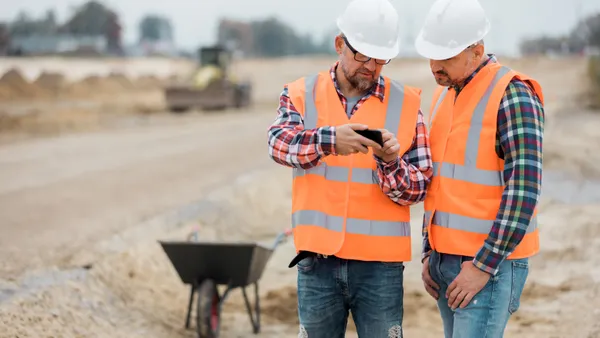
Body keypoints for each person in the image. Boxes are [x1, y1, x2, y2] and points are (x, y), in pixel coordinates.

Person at [266, 0, 433, 336]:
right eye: (362, 55)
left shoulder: (407, 103)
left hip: (380, 268)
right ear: (340, 44)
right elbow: (278, 144)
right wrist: (329, 141)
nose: (370, 67)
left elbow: (420, 186)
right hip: (317, 262)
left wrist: (390, 164)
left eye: (380, 58)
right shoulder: (301, 93)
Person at [414, 0, 545, 337]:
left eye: (446, 57)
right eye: (431, 55)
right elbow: (440, 183)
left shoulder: (512, 94)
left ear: (477, 50)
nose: (434, 66)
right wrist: (430, 252)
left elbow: (524, 189)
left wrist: (483, 265)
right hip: (446, 262)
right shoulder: (445, 95)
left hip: (489, 266)